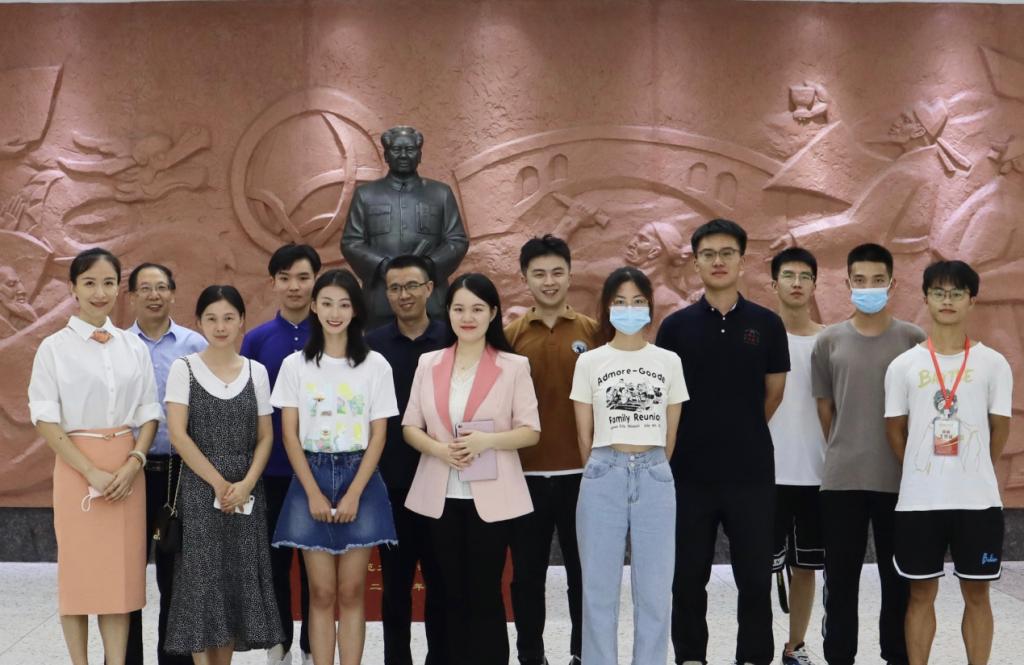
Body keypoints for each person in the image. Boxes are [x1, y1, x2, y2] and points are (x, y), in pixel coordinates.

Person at [656, 218, 789, 665]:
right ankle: (691, 655)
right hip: (688, 473)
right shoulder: (675, 328)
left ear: (741, 261)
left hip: (750, 473)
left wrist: (739, 428)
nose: (718, 261)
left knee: (754, 577)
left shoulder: (767, 324)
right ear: (695, 263)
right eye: (708, 254)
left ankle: (753, 656)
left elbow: (774, 393)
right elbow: (667, 399)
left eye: (727, 253)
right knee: (687, 576)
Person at [28, 247, 161, 665]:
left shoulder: (132, 346)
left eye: (108, 282)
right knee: (79, 576)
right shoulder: (53, 348)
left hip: (127, 469)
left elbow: (149, 412)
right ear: (73, 288)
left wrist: (135, 462)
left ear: (119, 288)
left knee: (119, 580)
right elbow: (44, 418)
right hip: (76, 468)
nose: (99, 292)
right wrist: (90, 471)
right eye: (89, 283)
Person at [402, 273, 541, 665]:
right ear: (447, 312)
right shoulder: (429, 363)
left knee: (484, 592)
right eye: (459, 308)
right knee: (444, 591)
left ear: (493, 313)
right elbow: (410, 427)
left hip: (491, 498)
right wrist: (440, 450)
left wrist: (486, 441)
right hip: (439, 494)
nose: (468, 317)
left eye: (477, 309)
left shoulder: (514, 366)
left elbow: (531, 432)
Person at [885, 260, 1013, 665]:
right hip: (919, 502)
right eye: (939, 292)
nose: (947, 300)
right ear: (925, 298)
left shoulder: (993, 363)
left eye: (957, 293)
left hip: (978, 502)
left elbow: (999, 429)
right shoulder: (903, 366)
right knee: (921, 593)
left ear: (972, 301)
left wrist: (972, 470)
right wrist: (923, 471)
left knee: (977, 593)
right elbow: (895, 431)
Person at [270, 269, 399, 665]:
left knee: (352, 591)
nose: (335, 312)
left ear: (355, 310)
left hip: (361, 475)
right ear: (314, 307)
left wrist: (355, 492)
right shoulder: (295, 365)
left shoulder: (376, 365)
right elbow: (289, 435)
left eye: (344, 304)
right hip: (310, 474)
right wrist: (312, 491)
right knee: (322, 592)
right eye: (326, 303)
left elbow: (379, 435)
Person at [811, 243, 924, 665]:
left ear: (892, 284)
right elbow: (826, 409)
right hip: (843, 481)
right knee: (841, 580)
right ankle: (839, 656)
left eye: (878, 280)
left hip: (900, 480)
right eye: (860, 280)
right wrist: (848, 444)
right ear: (848, 283)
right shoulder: (829, 341)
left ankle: (896, 655)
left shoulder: (913, 340)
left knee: (898, 581)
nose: (869, 288)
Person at [571, 266, 687, 665]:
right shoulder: (590, 362)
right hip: (603, 472)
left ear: (650, 306)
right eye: (620, 301)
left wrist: (650, 465)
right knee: (598, 591)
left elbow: (670, 432)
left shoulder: (668, 361)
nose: (629, 308)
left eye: (638, 301)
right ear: (607, 307)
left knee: (655, 591)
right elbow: (584, 434)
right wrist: (605, 467)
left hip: (655, 473)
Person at [164, 285, 283, 663]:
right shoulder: (184, 368)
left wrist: (245, 484)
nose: (220, 326)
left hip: (246, 492)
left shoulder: (256, 371)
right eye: (212, 318)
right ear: (199, 322)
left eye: (229, 318)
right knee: (202, 582)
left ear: (241, 321)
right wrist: (218, 483)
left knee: (234, 582)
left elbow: (266, 437)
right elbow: (178, 435)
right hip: (201, 491)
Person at [505, 235, 600, 665]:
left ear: (570, 275)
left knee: (584, 575)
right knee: (527, 577)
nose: (549, 281)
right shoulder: (510, 336)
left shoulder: (592, 333)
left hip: (584, 475)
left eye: (557, 272)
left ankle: (583, 653)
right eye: (539, 274)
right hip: (525, 476)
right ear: (525, 278)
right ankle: (531, 656)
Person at [365, 254, 449, 665]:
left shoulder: (452, 338)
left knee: (441, 583)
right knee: (395, 587)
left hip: (444, 480)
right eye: (395, 288)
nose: (404, 295)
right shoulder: (372, 346)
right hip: (392, 483)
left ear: (429, 288)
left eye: (412, 285)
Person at [240, 243, 320, 665]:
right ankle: (279, 645)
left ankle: (312, 645)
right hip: (270, 470)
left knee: (315, 566)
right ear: (273, 283)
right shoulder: (256, 340)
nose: (294, 286)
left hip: (321, 470)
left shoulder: (332, 335)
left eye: (303, 277)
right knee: (273, 563)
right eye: (285, 278)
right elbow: (245, 407)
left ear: (315, 281)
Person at [125, 262, 207, 665]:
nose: (154, 295)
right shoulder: (118, 346)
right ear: (131, 297)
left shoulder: (195, 345)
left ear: (173, 293)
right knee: (125, 577)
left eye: (161, 287)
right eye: (145, 288)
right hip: (130, 472)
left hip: (181, 473)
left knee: (177, 578)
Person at [341, 125, 469, 328]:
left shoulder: (441, 193)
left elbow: (457, 240)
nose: (403, 155)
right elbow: (351, 242)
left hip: (431, 300)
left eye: (409, 149)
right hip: (380, 300)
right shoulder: (366, 195)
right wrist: (385, 267)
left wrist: (427, 266)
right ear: (386, 155)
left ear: (420, 155)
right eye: (396, 149)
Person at [768, 248, 827, 665]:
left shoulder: (830, 340)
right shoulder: (759, 336)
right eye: (788, 275)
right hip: (766, 474)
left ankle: (796, 646)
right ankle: (754, 646)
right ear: (774, 284)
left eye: (805, 276)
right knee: (759, 568)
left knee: (807, 567)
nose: (796, 283)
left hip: (818, 474)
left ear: (814, 285)